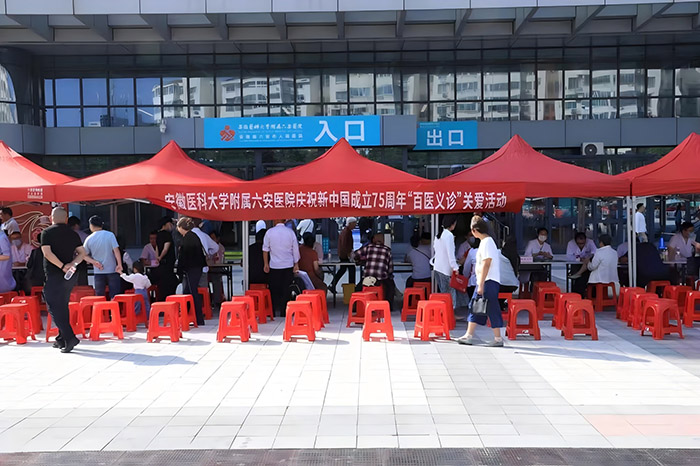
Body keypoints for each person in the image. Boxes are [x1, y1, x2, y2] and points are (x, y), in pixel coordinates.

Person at [41, 207, 90, 353]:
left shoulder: (47, 232)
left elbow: (47, 253)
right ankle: (61, 338)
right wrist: (72, 264)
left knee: (53, 306)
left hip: (55, 274)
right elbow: (82, 253)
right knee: (62, 305)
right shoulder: (73, 233)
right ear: (66, 219)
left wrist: (62, 266)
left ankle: (70, 337)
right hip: (69, 276)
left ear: (51, 218)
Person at [457, 216, 504, 347]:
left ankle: (497, 338)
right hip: (486, 280)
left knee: (487, 307)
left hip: (488, 281)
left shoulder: (487, 242)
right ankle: (469, 335)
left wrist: (481, 284)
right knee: (476, 306)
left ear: (474, 230)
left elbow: (486, 264)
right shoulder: (486, 242)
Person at [263, 219, 300, 317]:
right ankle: (285, 311)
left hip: (274, 265)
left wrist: (266, 264)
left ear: (275, 221)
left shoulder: (269, 232)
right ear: (284, 221)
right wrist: (296, 263)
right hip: (288, 265)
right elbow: (295, 249)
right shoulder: (290, 233)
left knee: (274, 289)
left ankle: (274, 311)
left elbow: (265, 249)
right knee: (286, 289)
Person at [176, 217, 207, 325]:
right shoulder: (194, 236)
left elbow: (183, 256)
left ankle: (196, 318)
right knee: (189, 291)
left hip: (191, 268)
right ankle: (189, 316)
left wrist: (179, 270)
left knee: (192, 292)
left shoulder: (187, 238)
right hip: (197, 267)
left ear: (181, 227)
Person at [354, 231, 395, 311]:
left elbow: (355, 254)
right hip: (381, 279)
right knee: (391, 287)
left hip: (367, 278)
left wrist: (361, 260)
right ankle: (388, 307)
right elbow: (390, 268)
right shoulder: (387, 250)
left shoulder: (368, 247)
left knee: (358, 288)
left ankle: (356, 307)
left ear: (373, 240)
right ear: (383, 241)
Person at [83, 215, 122, 297]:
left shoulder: (89, 238)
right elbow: (116, 251)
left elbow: (83, 255)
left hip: (98, 271)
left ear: (91, 225)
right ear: (102, 225)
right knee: (115, 295)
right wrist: (119, 264)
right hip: (112, 270)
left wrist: (94, 262)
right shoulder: (110, 235)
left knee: (100, 296)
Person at [432, 214, 460, 295]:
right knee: (450, 295)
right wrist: (455, 267)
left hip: (437, 268)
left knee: (444, 294)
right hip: (446, 270)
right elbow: (450, 254)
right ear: (452, 224)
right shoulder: (449, 235)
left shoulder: (438, 235)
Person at [330, 217, 357, 294]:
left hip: (343, 254)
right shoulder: (347, 232)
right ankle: (352, 287)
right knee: (351, 269)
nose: (355, 225)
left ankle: (332, 284)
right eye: (354, 223)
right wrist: (348, 254)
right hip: (345, 255)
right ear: (350, 223)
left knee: (342, 269)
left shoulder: (346, 231)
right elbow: (345, 244)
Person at [154, 216, 178, 301]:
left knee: (162, 286)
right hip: (168, 264)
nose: (171, 226)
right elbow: (165, 249)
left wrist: (157, 257)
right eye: (170, 223)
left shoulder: (158, 235)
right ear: (165, 224)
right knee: (170, 284)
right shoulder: (167, 235)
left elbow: (157, 247)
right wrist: (160, 257)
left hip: (161, 265)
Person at [567, 232, 597, 296]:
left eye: (582, 243)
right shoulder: (571, 243)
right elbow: (569, 257)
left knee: (585, 277)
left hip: (588, 265)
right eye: (578, 243)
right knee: (577, 279)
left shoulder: (590, 242)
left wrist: (589, 258)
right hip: (576, 264)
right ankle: (576, 294)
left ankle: (583, 294)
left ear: (585, 240)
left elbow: (595, 253)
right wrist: (579, 259)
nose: (581, 245)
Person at [68, 216, 89, 285]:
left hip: (68, 262)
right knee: (82, 283)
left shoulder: (65, 235)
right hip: (82, 261)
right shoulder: (84, 236)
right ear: (77, 225)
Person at [209, 230, 226, 309]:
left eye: (213, 238)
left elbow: (219, 261)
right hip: (208, 268)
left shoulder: (220, 247)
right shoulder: (208, 246)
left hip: (216, 268)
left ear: (218, 239)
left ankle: (217, 300)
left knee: (216, 279)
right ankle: (208, 299)